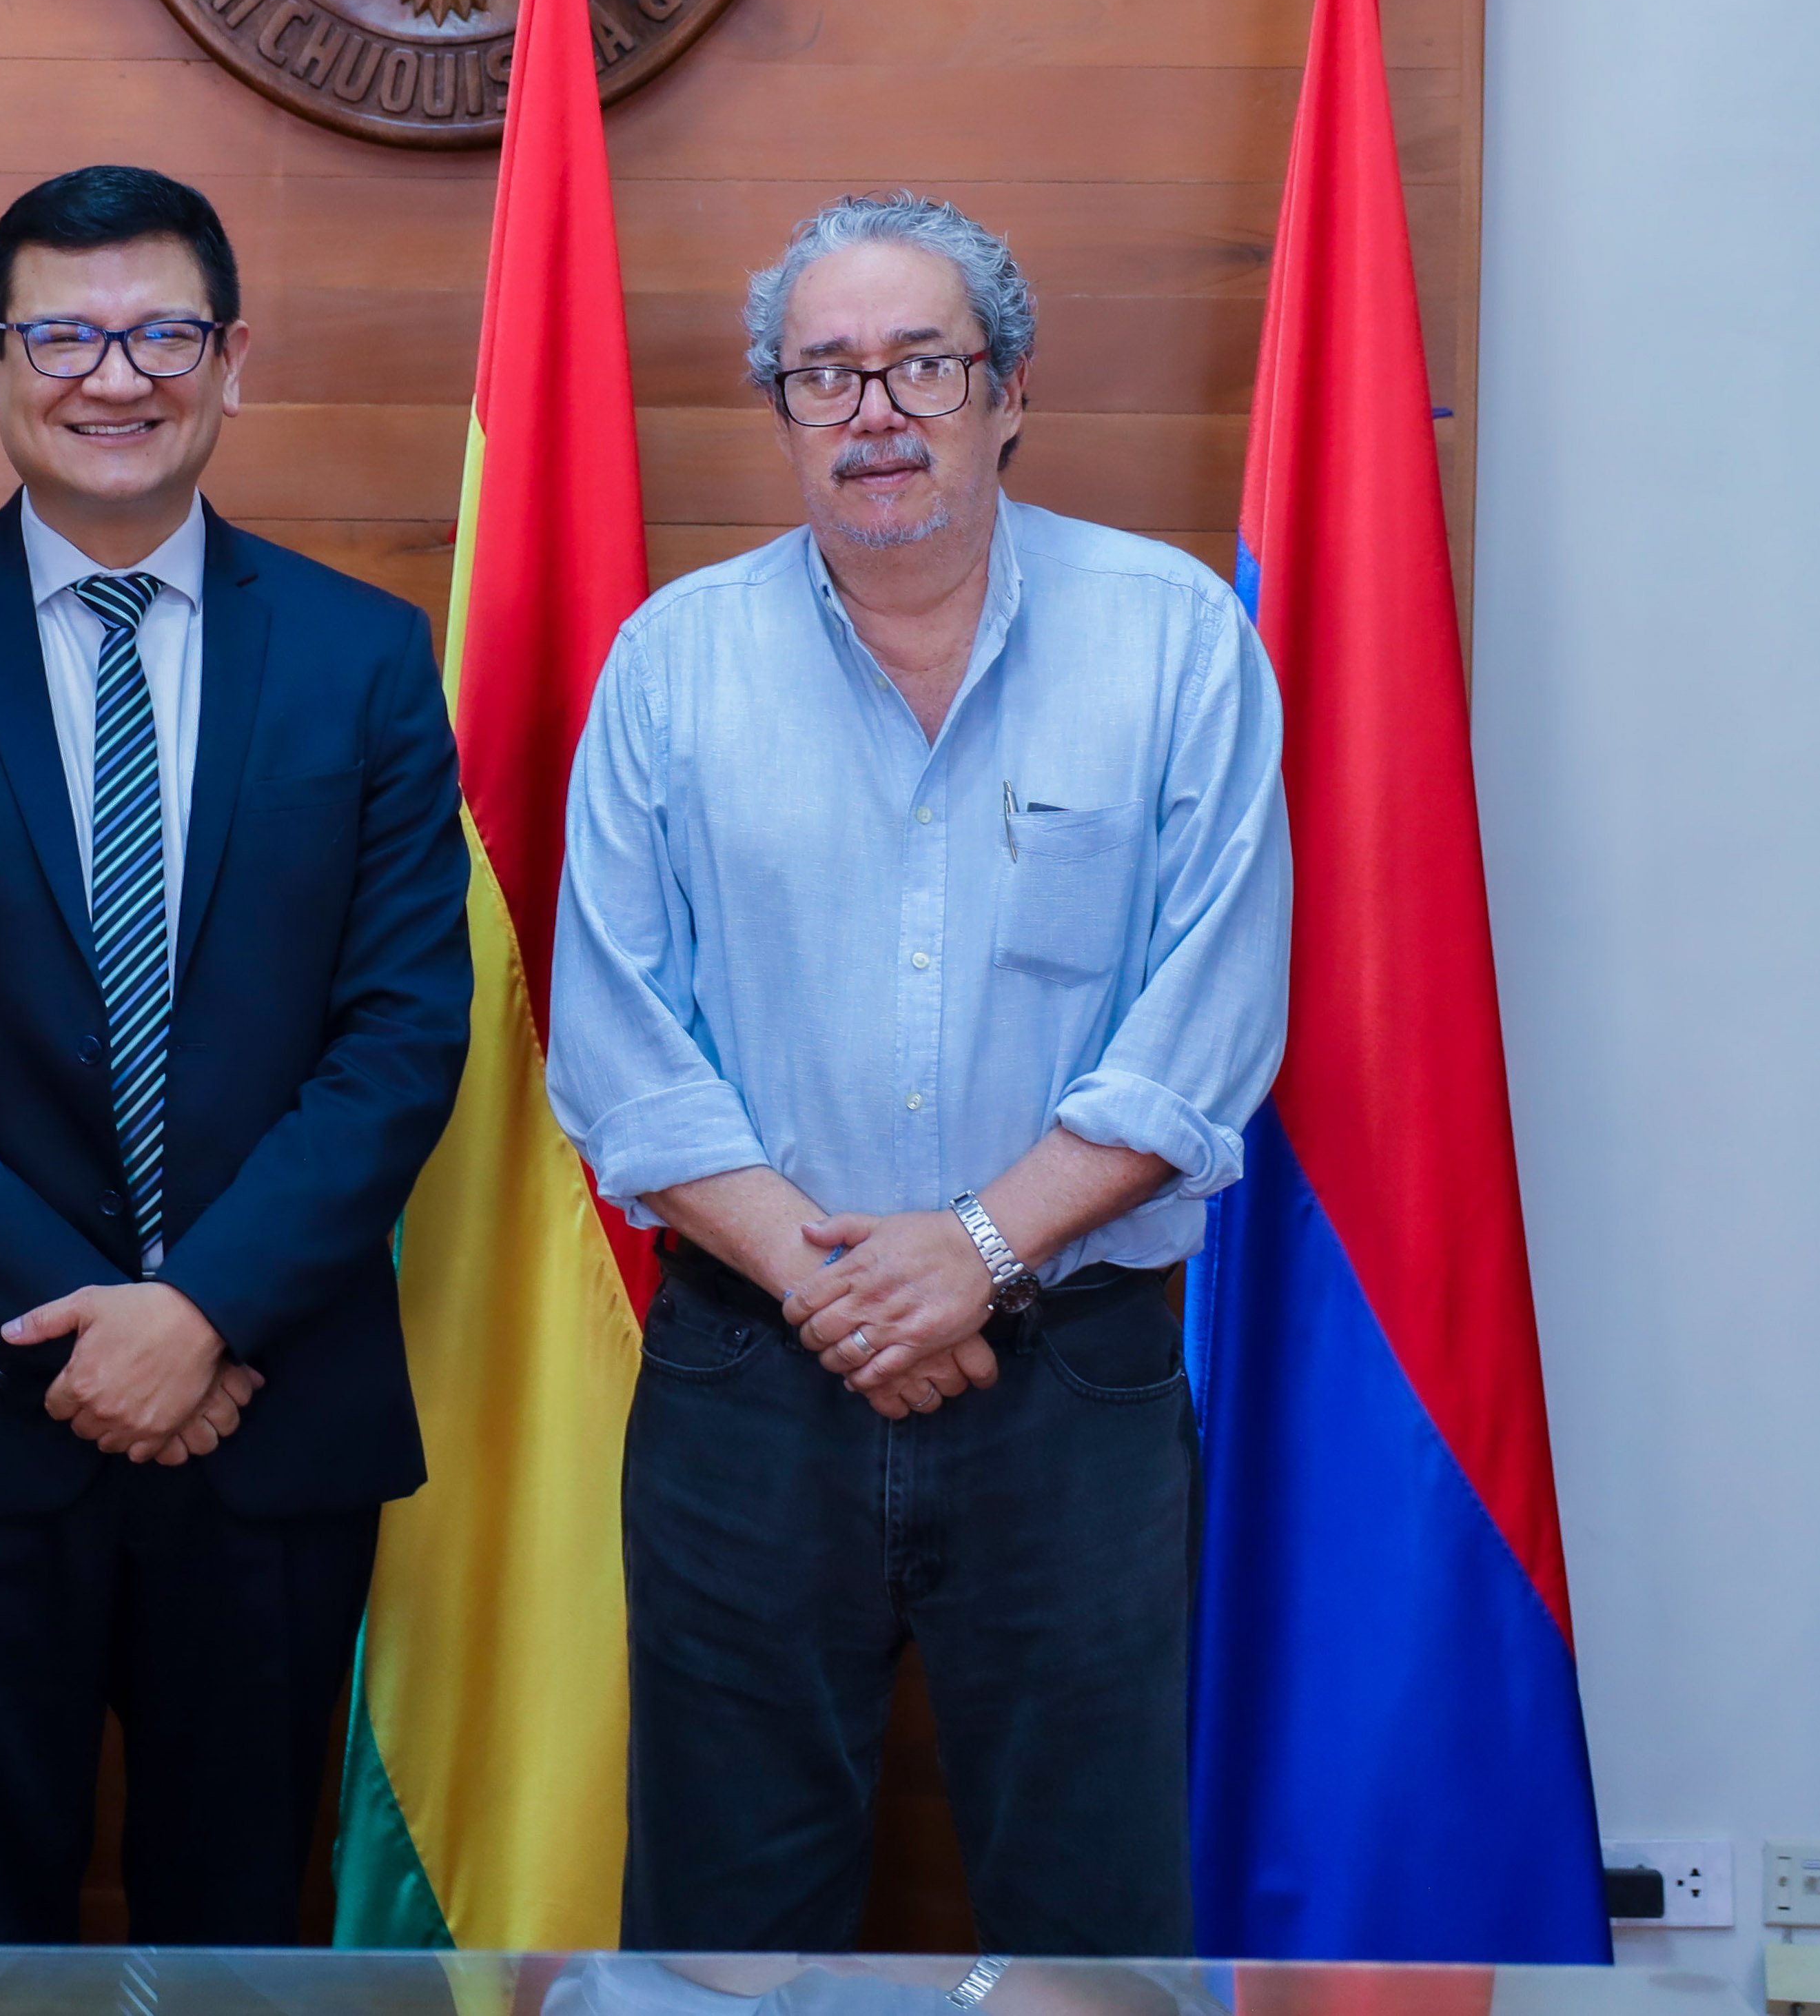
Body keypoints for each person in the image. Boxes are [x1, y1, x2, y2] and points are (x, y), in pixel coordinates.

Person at [549, 190, 1291, 1954]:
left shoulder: (1176, 640)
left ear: (1009, 389)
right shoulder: (673, 664)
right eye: (826, 375)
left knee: (1094, 1918)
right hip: (749, 1373)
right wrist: (847, 1282)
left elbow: (1212, 1018)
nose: (875, 412)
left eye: (921, 366)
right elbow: (618, 1046)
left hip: (1076, 1385)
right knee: (727, 1929)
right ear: (785, 413)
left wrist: (976, 1249)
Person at [0, 163, 473, 1942]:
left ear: (231, 361)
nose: (112, 372)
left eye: (159, 329)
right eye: (62, 331)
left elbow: (402, 1035)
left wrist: (202, 1315)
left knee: (241, 1936)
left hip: (270, 1417)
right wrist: (101, 1327)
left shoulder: (366, 659)